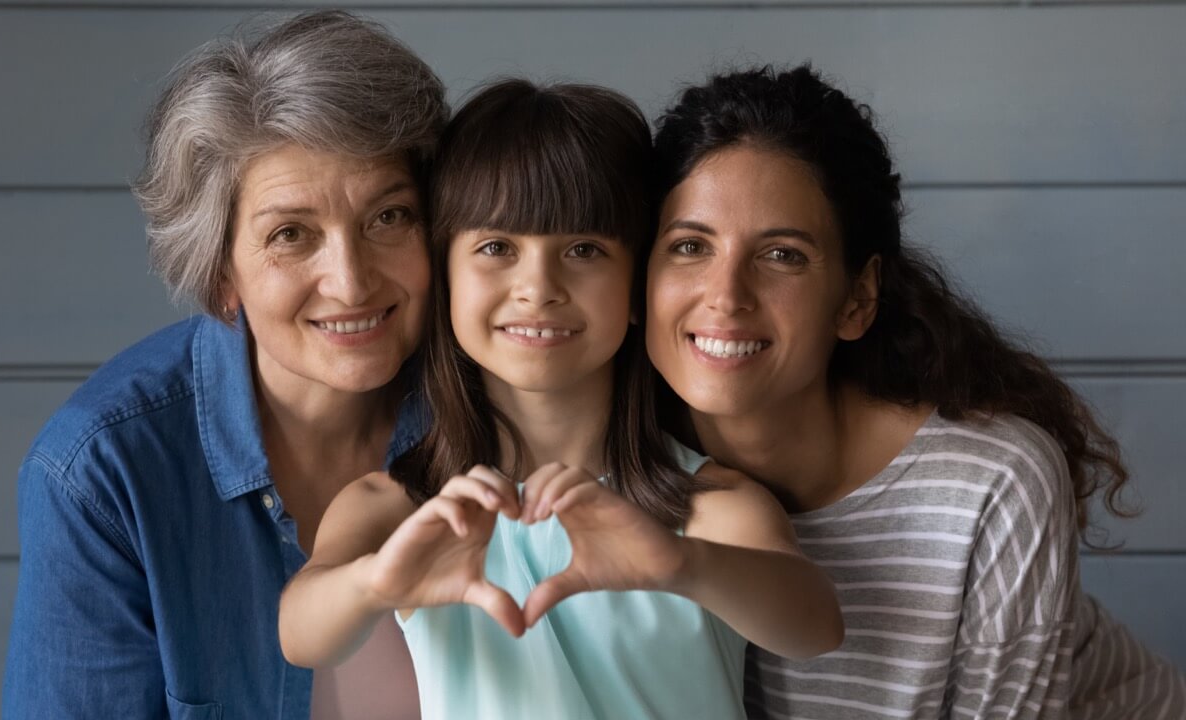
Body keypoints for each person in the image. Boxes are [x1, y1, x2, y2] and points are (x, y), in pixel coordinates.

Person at [277, 79, 844, 720]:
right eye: (497, 248)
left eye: (583, 250)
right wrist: (377, 583)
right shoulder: (396, 508)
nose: (538, 288)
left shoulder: (706, 506)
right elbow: (301, 634)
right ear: (446, 279)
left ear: (638, 288)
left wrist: (681, 565)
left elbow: (815, 624)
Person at [645, 64, 1186, 719]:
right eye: (689, 245)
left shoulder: (993, 479)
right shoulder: (625, 464)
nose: (726, 295)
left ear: (857, 298)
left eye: (782, 254)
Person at [1, 11, 447, 719]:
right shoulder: (100, 472)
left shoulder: (498, 407)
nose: (352, 281)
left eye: (387, 218)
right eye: (291, 235)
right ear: (221, 276)